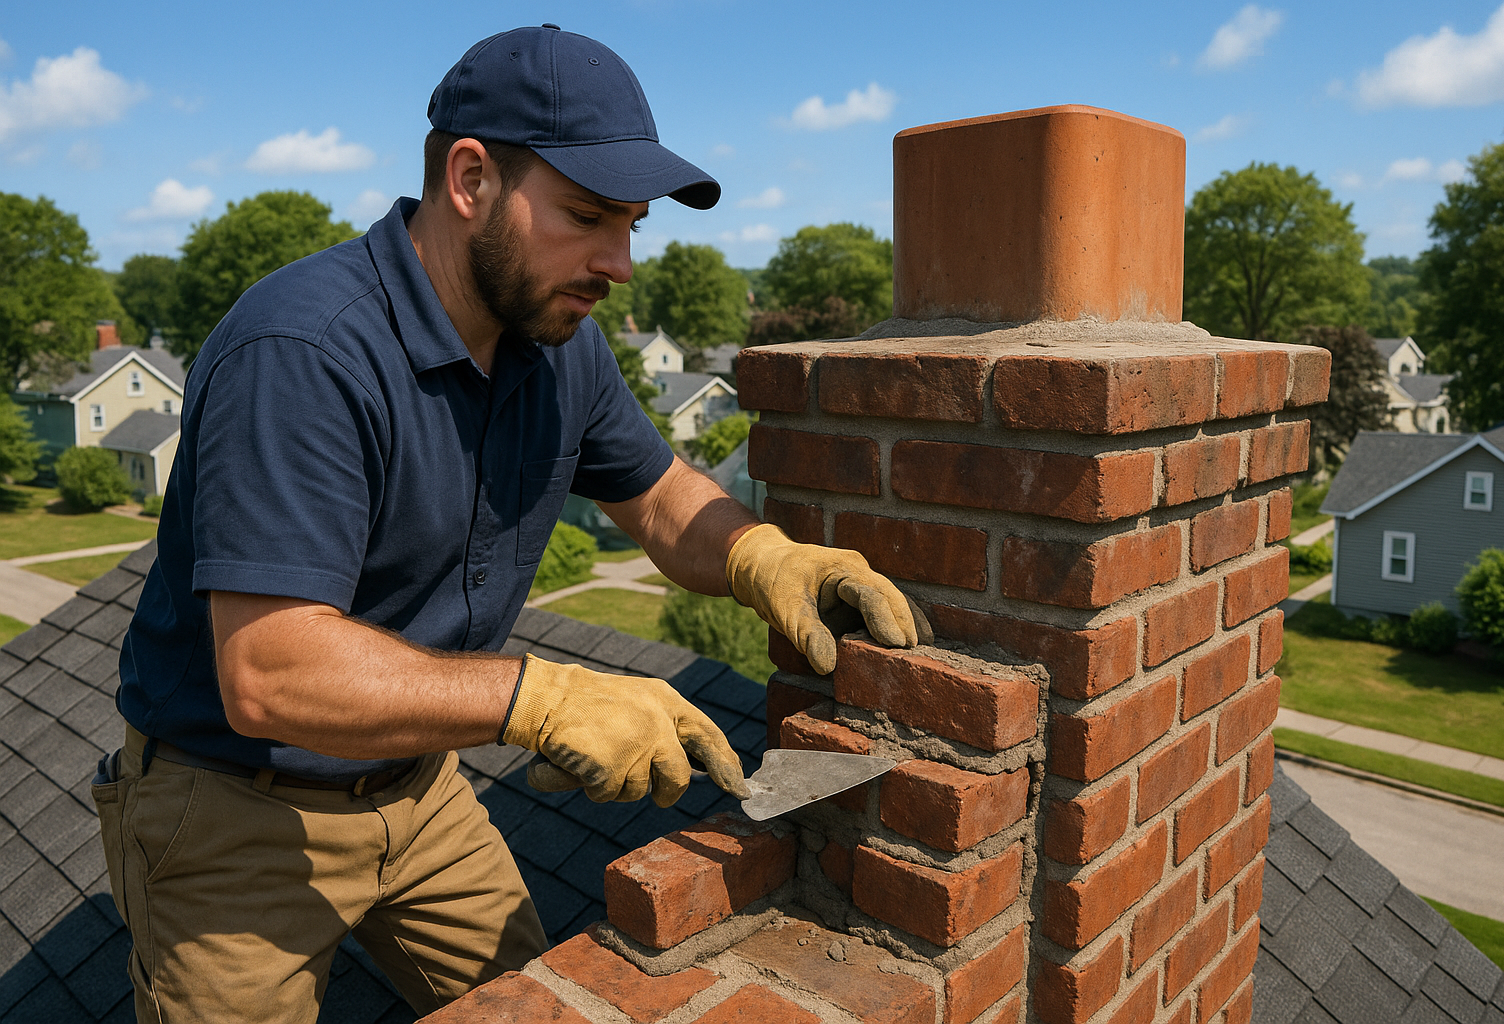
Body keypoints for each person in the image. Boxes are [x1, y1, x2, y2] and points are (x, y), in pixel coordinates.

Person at [93, 24, 927, 1023]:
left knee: (538, 1005)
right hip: (230, 806)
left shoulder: (557, 341)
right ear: (471, 178)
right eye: (586, 216)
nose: (619, 263)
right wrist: (544, 698)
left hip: (417, 784)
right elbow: (270, 669)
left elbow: (661, 499)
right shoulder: (304, 349)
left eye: (632, 226)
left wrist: (764, 555)